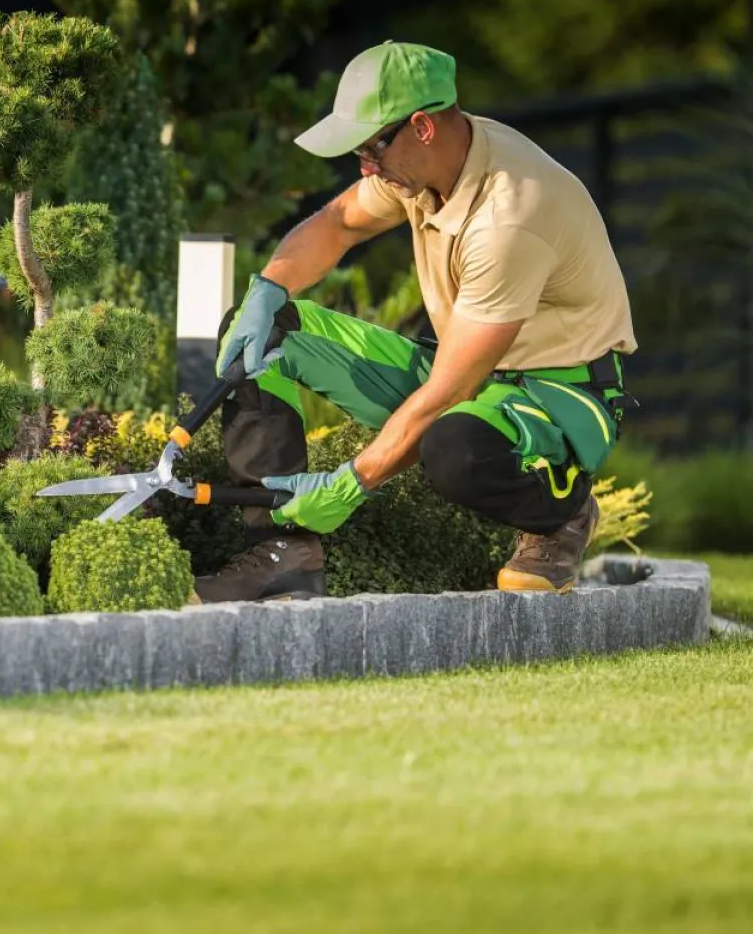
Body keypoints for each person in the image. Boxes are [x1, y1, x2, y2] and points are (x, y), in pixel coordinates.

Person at [195, 41, 636, 603]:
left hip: (558, 394)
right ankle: (285, 553)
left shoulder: (510, 218)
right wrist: (267, 287)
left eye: (371, 148)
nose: (364, 167)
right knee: (259, 334)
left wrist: (351, 482)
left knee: (455, 448)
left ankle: (564, 512)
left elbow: (449, 392)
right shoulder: (423, 169)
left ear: (422, 127)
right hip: (467, 368)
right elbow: (337, 225)